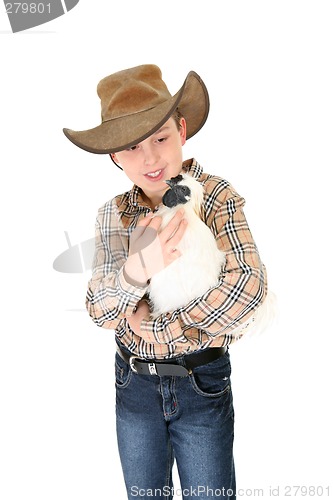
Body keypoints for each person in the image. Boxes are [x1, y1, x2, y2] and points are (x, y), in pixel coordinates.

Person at [63, 64, 268, 500]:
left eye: (160, 138)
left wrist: (156, 324)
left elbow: (248, 286)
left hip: (201, 381)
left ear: (182, 130)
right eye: (132, 147)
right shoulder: (113, 215)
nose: (151, 158)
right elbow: (100, 309)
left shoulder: (215, 196)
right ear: (114, 156)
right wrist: (139, 269)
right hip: (133, 385)